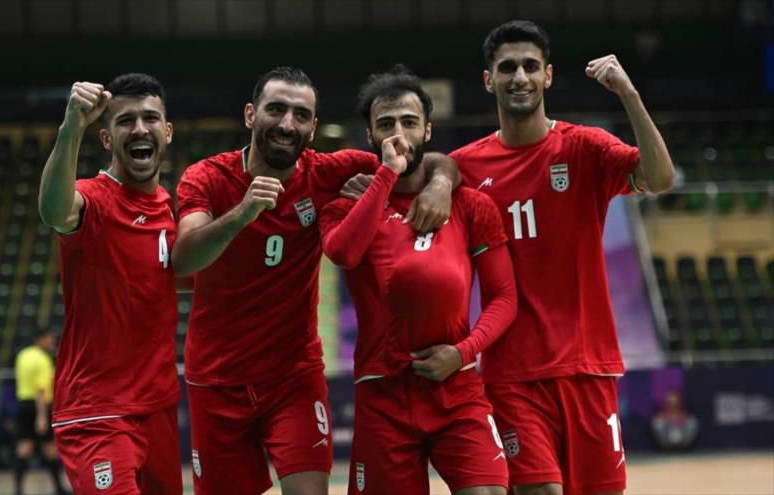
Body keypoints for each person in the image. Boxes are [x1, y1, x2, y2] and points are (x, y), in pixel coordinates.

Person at [172, 66, 460, 495]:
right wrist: (242, 214)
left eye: (300, 115)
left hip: (294, 378)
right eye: (276, 110)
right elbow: (183, 260)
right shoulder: (207, 177)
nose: (287, 124)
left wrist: (440, 183)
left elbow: (419, 157)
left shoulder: (328, 173)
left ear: (312, 128)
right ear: (251, 115)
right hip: (217, 381)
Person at [448, 20, 675, 495]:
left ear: (548, 76)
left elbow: (658, 179)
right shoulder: (464, 167)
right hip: (512, 374)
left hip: (588, 367)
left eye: (530, 66)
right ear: (489, 80)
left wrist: (629, 96)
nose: (520, 77)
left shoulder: (584, 147)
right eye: (507, 68)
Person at [319, 66, 515, 495]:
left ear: (428, 128)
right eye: (385, 124)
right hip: (383, 392)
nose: (398, 133)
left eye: (409, 122)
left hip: (456, 389)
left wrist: (462, 354)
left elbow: (504, 298)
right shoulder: (348, 206)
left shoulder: (469, 206)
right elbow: (343, 253)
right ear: (369, 136)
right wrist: (387, 176)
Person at [38, 73, 183, 494]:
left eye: (150, 118)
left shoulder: (168, 210)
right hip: (97, 411)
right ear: (106, 138)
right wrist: (71, 127)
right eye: (126, 120)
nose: (139, 128)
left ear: (167, 132)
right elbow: (54, 211)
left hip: (157, 409)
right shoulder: (94, 200)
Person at [13, 329, 68, 495]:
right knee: (50, 448)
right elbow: (42, 390)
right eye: (49, 338)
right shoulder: (43, 359)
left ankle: (18, 489)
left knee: (24, 446)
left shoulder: (22, 355)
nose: (52, 342)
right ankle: (58, 488)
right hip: (39, 406)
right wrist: (42, 417)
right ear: (40, 339)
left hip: (23, 404)